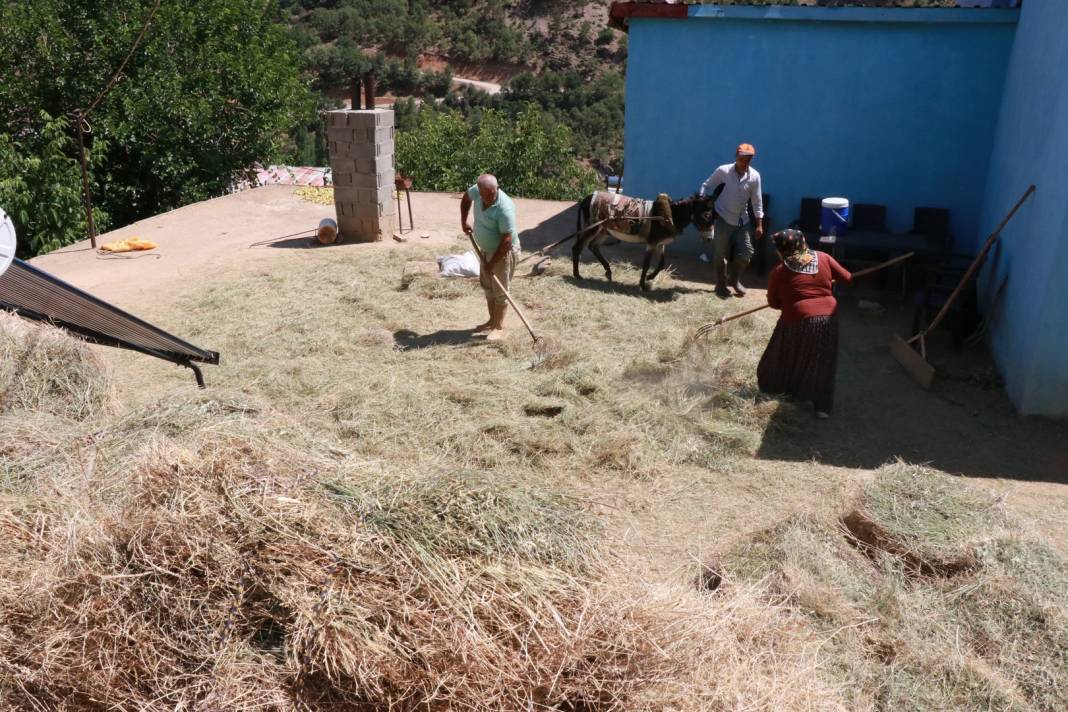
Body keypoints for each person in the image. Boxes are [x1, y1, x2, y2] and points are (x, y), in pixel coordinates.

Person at [757, 229, 853, 419]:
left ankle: (786, 394)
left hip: (796, 320)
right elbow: (848, 279)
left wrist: (788, 299)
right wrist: (829, 279)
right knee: (823, 361)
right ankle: (822, 408)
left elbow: (773, 303)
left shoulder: (780, 271)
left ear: (783, 249)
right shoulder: (824, 257)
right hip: (828, 318)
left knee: (784, 357)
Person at [698, 143, 764, 298]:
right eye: (742, 158)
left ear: (751, 159)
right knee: (720, 255)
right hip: (722, 218)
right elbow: (706, 185)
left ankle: (734, 280)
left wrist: (759, 225)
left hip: (743, 221)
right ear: (736, 156)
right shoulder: (723, 171)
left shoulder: (755, 177)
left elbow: (757, 201)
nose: (744, 161)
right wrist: (702, 202)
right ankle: (720, 284)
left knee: (747, 253)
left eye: (748, 159)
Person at [460, 173, 520, 341]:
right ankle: (492, 320)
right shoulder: (477, 191)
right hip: (486, 250)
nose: (491, 198)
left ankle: (498, 327)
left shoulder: (505, 207)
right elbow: (466, 199)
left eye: (493, 194)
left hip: (503, 252)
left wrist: (492, 263)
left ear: (497, 189)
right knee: (488, 288)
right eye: (486, 196)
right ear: (479, 192)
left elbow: (507, 240)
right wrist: (463, 221)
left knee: (500, 290)